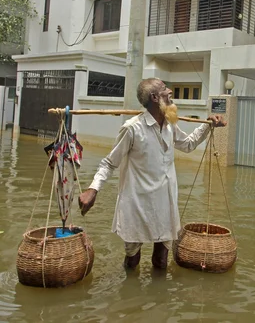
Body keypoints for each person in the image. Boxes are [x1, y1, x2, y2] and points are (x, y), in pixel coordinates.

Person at [78, 78, 225, 269]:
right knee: (133, 259)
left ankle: (159, 298)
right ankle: (131, 295)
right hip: (137, 204)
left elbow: (188, 144)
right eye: (164, 89)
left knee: (161, 259)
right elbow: (109, 163)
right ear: (155, 97)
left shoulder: (170, 124)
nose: (170, 91)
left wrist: (208, 125)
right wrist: (93, 189)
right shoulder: (132, 128)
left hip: (165, 202)